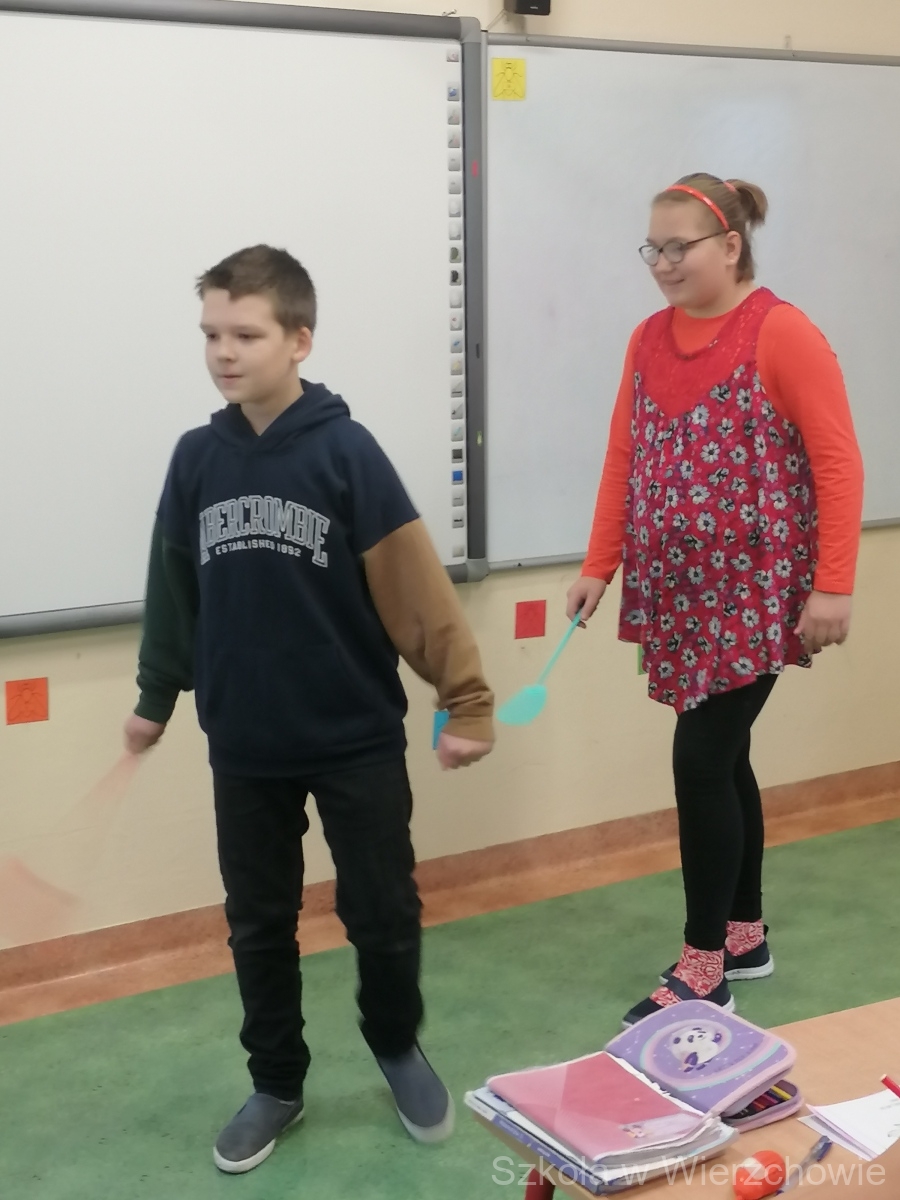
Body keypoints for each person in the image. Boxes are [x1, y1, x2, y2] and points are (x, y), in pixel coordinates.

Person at [123, 245, 494, 1173]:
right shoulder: (197, 459)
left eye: (245, 334)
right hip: (245, 744)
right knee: (258, 922)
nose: (223, 352)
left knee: (383, 909)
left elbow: (416, 592)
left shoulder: (346, 453)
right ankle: (277, 1083)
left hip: (353, 737)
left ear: (299, 340)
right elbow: (173, 588)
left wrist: (466, 701)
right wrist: (155, 696)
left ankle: (397, 1046)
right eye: (211, 333)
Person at [566, 174, 864, 1028]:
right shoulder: (647, 339)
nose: (662, 263)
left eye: (678, 247)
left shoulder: (781, 332)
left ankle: (704, 968)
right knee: (724, 759)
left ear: (730, 245)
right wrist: (599, 563)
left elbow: (838, 461)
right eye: (652, 248)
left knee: (700, 760)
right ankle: (745, 934)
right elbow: (625, 456)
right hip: (680, 595)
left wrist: (833, 585)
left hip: (759, 596)